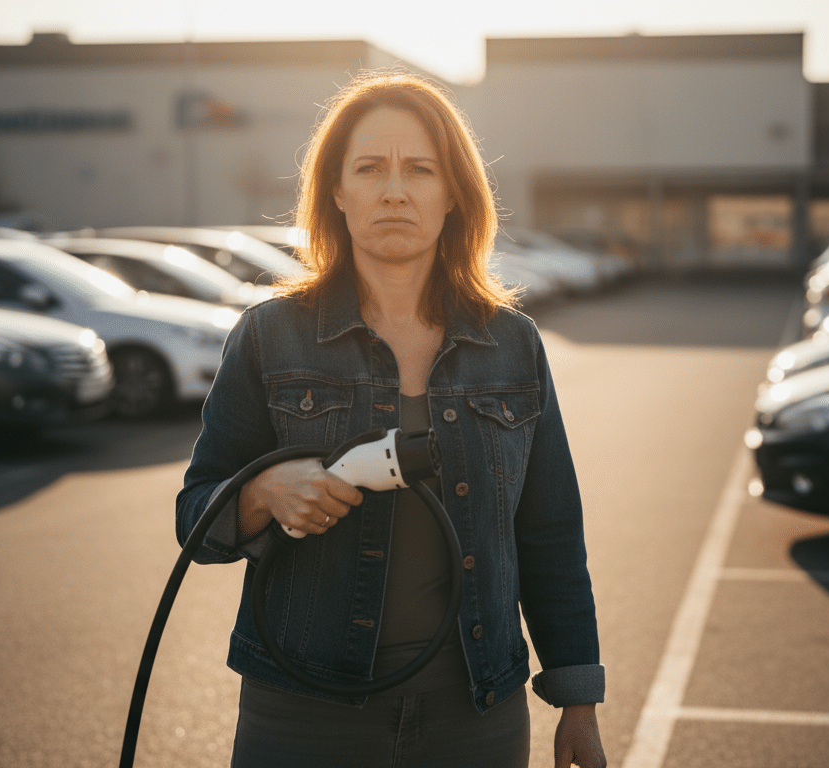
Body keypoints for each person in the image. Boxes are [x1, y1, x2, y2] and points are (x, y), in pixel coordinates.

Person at [176, 70, 606, 768]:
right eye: (371, 168)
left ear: (453, 194)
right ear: (338, 193)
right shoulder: (268, 338)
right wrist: (260, 494)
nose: (395, 190)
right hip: (303, 716)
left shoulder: (513, 346)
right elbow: (195, 518)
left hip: (475, 714)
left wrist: (577, 700)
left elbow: (550, 533)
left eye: (420, 169)